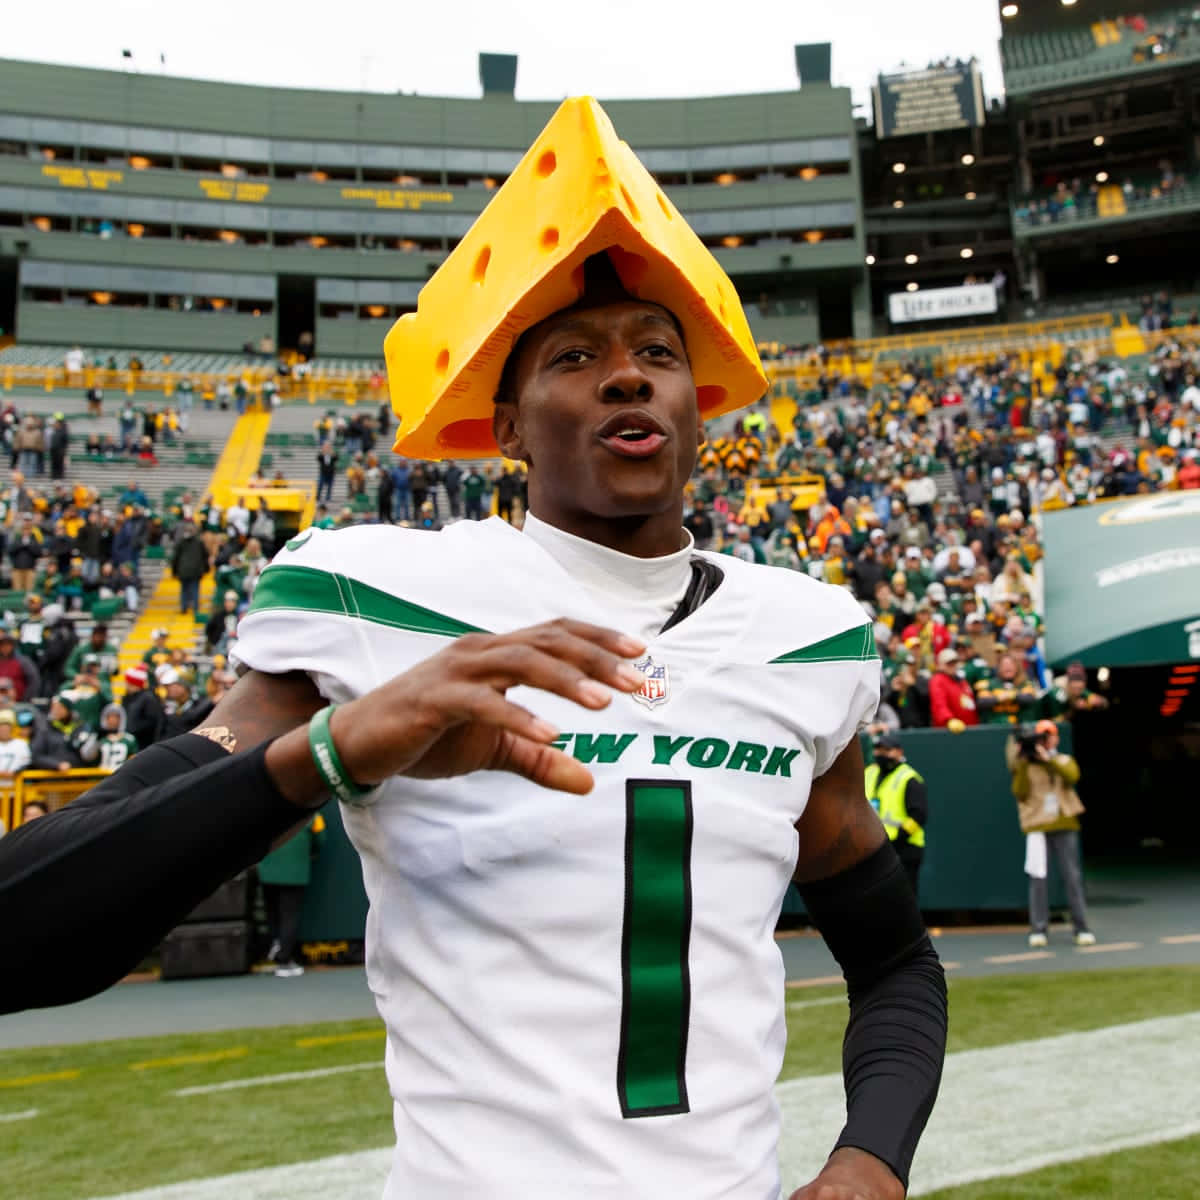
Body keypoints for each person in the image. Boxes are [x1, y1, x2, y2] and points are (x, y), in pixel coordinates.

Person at [0, 99, 945, 1200]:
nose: (627, 375)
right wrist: (338, 747)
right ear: (505, 428)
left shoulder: (809, 638)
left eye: (658, 353)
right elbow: (22, 932)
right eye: (574, 357)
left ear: (698, 410)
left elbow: (895, 961)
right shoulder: (374, 594)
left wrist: (872, 1157)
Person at [1007, 720, 1095, 948]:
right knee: (1038, 878)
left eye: (1049, 736)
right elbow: (1019, 792)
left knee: (1071, 877)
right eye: (1041, 737)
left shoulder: (1062, 759)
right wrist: (1023, 761)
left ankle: (1081, 927)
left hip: (1064, 823)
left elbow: (1072, 776)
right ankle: (1038, 929)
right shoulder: (1025, 764)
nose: (1045, 741)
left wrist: (1049, 759)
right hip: (1038, 826)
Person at [258, 811, 326, 978]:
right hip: (294, 874)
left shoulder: (265, 811)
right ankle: (283, 961)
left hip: (268, 872)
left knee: (273, 912)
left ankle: (276, 950)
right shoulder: (312, 815)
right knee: (289, 917)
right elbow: (320, 839)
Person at [863, 733, 927, 899]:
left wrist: (899, 838)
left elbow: (919, 815)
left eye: (887, 750)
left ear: (899, 752)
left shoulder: (909, 778)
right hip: (874, 849)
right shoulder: (869, 773)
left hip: (905, 849)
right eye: (878, 750)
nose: (881, 754)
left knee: (903, 899)